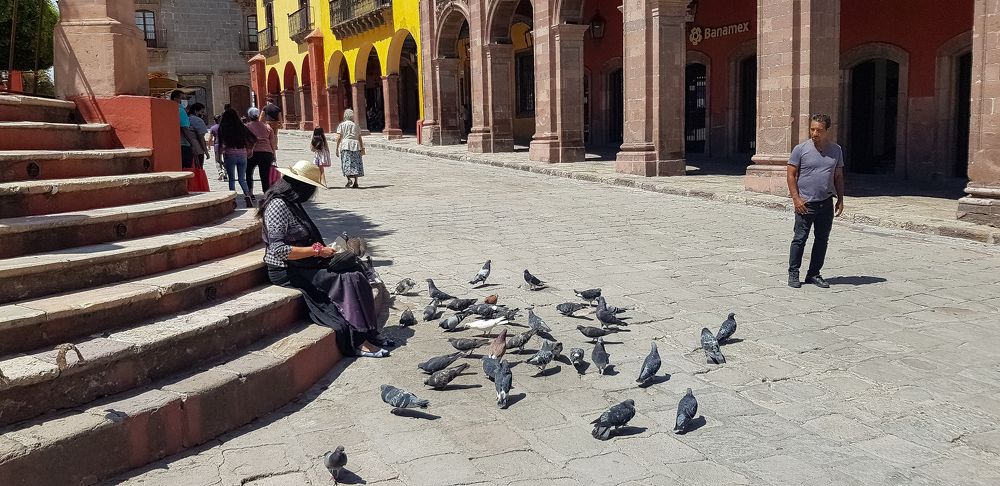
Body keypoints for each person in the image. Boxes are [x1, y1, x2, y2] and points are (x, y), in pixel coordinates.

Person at [258, 160, 389, 358]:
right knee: (347, 279)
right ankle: (358, 341)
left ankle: (369, 332)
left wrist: (324, 250)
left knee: (356, 270)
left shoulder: (291, 203)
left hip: (304, 263)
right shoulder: (277, 206)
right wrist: (317, 251)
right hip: (287, 270)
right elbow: (279, 250)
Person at [787, 113, 845, 289]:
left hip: (826, 202)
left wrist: (841, 199)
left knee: (822, 239)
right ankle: (793, 273)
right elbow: (790, 174)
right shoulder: (800, 149)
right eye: (812, 129)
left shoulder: (836, 150)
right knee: (799, 238)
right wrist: (796, 199)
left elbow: (838, 176)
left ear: (827, 130)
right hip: (805, 203)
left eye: (819, 130)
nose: (815, 133)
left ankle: (814, 273)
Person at [217, 108, 256, 207]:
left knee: (231, 179)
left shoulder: (222, 127)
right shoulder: (241, 127)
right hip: (242, 154)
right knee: (242, 179)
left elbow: (220, 144)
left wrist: (219, 157)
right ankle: (247, 196)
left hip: (229, 154)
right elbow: (253, 138)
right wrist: (250, 150)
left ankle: (233, 200)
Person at [246, 107, 278, 195]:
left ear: (249, 116)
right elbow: (272, 143)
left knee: (248, 173)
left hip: (252, 153)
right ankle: (266, 194)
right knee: (265, 175)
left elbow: (245, 141)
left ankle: (250, 194)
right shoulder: (267, 127)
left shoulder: (247, 127)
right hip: (266, 153)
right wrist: (273, 155)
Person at [334, 109, 366, 189]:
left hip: (345, 145)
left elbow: (339, 137)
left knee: (346, 163)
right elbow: (359, 138)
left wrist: (337, 147)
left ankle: (349, 180)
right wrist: (362, 147)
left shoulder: (342, 125)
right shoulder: (356, 125)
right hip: (355, 145)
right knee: (356, 163)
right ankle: (356, 182)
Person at [185, 103, 211, 192]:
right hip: (197, 149)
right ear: (196, 111)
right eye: (202, 112)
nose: (203, 114)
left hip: (187, 147)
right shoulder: (197, 120)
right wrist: (206, 151)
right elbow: (201, 138)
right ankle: (198, 186)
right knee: (198, 168)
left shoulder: (186, 119)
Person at [170, 90, 194, 169]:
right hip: (184, 144)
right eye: (182, 98)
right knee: (187, 168)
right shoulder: (180, 110)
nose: (184, 100)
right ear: (175, 99)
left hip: (174, 144)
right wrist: (193, 144)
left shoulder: (170, 109)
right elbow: (185, 129)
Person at [207, 115, 227, 181]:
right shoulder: (225, 127)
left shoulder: (213, 128)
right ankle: (226, 174)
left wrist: (209, 146)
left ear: (214, 120)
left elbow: (210, 138)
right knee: (226, 160)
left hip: (217, 145)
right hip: (225, 145)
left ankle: (220, 171)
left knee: (218, 160)